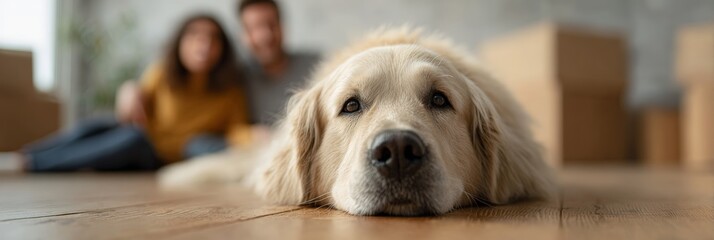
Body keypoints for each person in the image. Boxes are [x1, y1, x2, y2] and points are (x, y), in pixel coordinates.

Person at [7, 14, 253, 171]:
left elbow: (236, 130)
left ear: (222, 48)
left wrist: (257, 136)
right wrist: (129, 89)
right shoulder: (162, 73)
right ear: (179, 43)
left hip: (160, 157)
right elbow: (132, 101)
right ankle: (25, 154)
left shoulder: (230, 91)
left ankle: (33, 164)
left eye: (213, 39)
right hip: (141, 134)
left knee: (132, 139)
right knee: (96, 126)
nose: (205, 44)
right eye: (195, 36)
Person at [237, 0, 320, 125]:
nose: (266, 35)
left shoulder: (316, 64)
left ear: (282, 26)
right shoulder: (237, 79)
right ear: (243, 34)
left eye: (272, 24)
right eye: (256, 27)